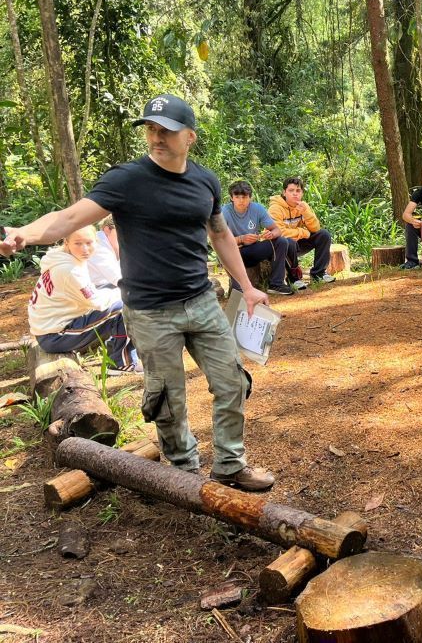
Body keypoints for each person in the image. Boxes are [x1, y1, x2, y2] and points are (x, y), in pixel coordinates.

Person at [2, 94, 274, 491]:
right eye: (151, 128)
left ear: (190, 137)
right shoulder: (126, 180)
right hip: (150, 311)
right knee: (167, 397)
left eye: (166, 130)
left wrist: (247, 287)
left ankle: (230, 464)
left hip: (201, 301)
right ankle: (183, 475)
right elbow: (70, 217)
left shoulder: (205, 181)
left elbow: (220, 234)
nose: (156, 137)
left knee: (232, 381)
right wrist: (24, 234)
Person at [28, 226, 139, 373]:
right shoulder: (70, 270)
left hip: (50, 329)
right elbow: (97, 302)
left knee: (115, 295)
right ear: (66, 242)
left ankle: (116, 346)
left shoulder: (61, 258)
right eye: (78, 243)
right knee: (125, 307)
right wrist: (126, 292)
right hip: (56, 336)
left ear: (96, 242)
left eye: (89, 243)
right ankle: (123, 363)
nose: (85, 249)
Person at [222, 181, 294, 295]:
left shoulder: (257, 208)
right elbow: (220, 242)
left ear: (250, 197)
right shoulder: (224, 212)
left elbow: (277, 230)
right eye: (237, 197)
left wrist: (272, 234)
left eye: (244, 197)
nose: (241, 200)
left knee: (282, 241)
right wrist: (241, 239)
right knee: (240, 294)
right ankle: (240, 290)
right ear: (231, 197)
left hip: (253, 249)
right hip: (234, 253)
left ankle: (276, 284)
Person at [268, 177, 336, 289]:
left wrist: (306, 212)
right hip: (279, 246)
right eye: (291, 190)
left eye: (298, 191)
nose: (295, 193)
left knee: (323, 235)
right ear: (284, 192)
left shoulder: (303, 206)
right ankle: (293, 279)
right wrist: (303, 232)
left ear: (302, 193)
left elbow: (315, 228)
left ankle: (318, 274)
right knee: (289, 241)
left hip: (297, 242)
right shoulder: (275, 208)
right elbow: (279, 232)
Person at [87, 216, 122, 289]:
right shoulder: (97, 245)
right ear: (107, 229)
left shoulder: (110, 243)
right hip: (100, 288)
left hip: (110, 285)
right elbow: (116, 277)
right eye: (121, 230)